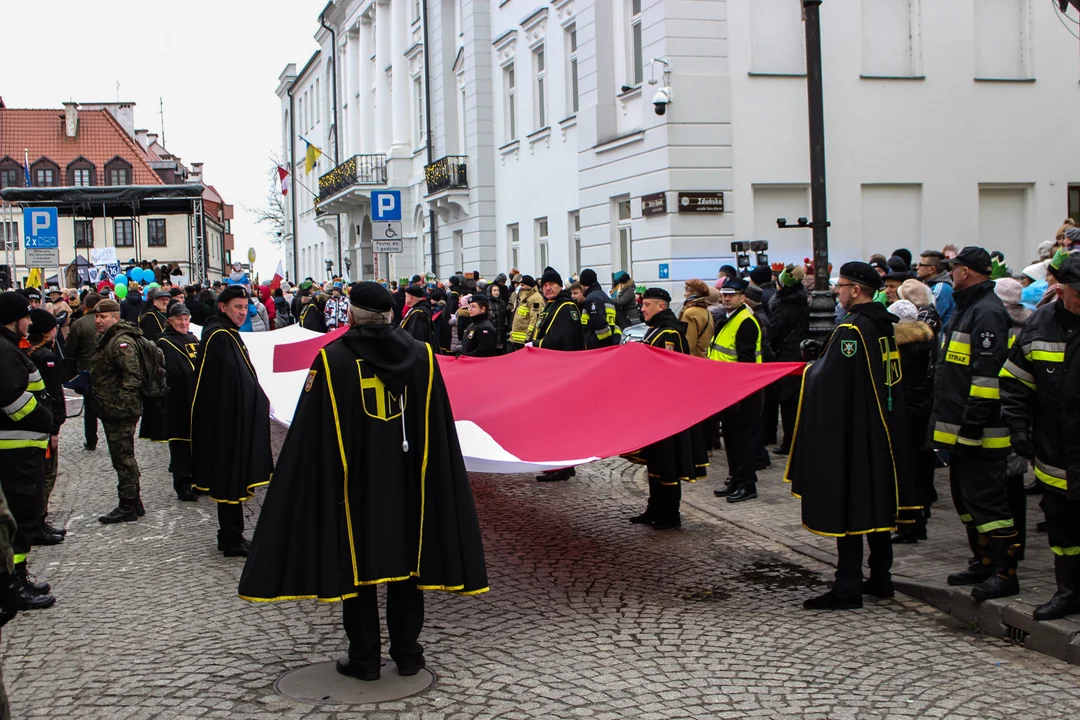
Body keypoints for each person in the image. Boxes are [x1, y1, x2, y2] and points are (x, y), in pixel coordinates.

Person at [237, 282, 488, 681]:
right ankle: (408, 656)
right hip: (412, 483)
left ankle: (365, 660)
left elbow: (310, 433)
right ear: (390, 314)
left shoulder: (332, 359)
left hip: (355, 488)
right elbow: (439, 427)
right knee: (409, 572)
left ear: (351, 314)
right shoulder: (422, 356)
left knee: (358, 573)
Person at [788, 262, 915, 610]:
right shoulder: (882, 325)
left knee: (850, 505)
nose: (836, 293)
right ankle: (880, 578)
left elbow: (828, 383)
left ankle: (847, 586)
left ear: (856, 290)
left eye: (840, 286)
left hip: (855, 432)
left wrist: (812, 365)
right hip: (881, 429)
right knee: (875, 501)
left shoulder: (853, 330)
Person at [930, 246, 1018, 601]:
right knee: (966, 502)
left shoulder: (988, 313)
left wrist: (973, 424)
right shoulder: (969, 309)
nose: (950, 276)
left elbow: (988, 377)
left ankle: (1004, 572)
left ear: (965, 272)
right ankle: (982, 560)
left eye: (953, 270)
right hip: (959, 429)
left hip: (981, 433)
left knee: (989, 506)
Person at [1000, 255, 1080, 620]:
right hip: (1055, 449)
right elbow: (1016, 382)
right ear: (1061, 290)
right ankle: (1068, 592)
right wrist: (1018, 429)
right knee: (1063, 529)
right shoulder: (1041, 325)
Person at [190, 286, 273, 556]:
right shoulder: (219, 337)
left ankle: (231, 535)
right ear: (223, 306)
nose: (241, 312)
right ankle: (230, 538)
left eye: (244, 307)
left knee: (231, 478)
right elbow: (223, 384)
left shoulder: (226, 334)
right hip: (226, 421)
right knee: (229, 478)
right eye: (237, 307)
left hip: (231, 418)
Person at [0, 292, 57, 611]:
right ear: (12, 319)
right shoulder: (5, 349)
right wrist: (44, 418)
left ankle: (18, 577)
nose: (31, 322)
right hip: (16, 449)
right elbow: (11, 400)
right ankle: (15, 585)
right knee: (20, 517)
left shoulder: (10, 347)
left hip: (22, 447)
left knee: (25, 514)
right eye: (26, 316)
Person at [626, 288, 694, 528]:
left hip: (667, 411)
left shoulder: (669, 334)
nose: (642, 308)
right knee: (654, 461)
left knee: (667, 463)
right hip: (653, 408)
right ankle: (654, 508)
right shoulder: (655, 330)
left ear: (661, 307)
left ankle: (669, 514)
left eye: (647, 304)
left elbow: (667, 372)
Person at [90, 299, 147, 524]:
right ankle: (134, 501)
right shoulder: (108, 339)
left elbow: (132, 376)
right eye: (96, 317)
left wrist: (119, 404)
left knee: (123, 458)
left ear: (116, 317)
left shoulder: (121, 341)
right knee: (124, 457)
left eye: (103, 317)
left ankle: (127, 505)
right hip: (112, 407)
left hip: (120, 410)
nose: (98, 321)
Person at [139, 303, 201, 501]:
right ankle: (183, 484)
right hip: (177, 399)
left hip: (195, 398)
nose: (183, 323)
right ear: (170, 321)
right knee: (180, 443)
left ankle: (198, 480)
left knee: (197, 442)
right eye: (179, 319)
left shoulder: (193, 339)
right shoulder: (164, 342)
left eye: (186, 319)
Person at [709, 278, 763, 503]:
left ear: (743, 297)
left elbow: (746, 363)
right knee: (731, 438)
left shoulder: (746, 321)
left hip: (743, 393)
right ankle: (735, 478)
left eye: (732, 295)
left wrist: (741, 393)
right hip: (727, 390)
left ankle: (746, 483)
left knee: (743, 439)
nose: (726, 298)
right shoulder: (727, 319)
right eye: (724, 294)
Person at [888, 300, 937, 544]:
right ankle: (922, 515)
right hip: (924, 408)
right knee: (921, 465)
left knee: (905, 467)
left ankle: (908, 524)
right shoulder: (926, 342)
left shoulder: (899, 347)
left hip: (904, 411)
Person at [24, 310, 67, 544]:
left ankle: (38, 521)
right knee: (46, 474)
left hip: (34, 423)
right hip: (44, 424)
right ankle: (38, 522)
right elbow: (52, 394)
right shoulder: (45, 357)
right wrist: (55, 427)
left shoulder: (26, 352)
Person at [768, 266, 810, 455]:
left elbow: (774, 330)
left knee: (787, 401)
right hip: (798, 353)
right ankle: (796, 439)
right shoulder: (802, 301)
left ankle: (790, 442)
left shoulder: (784, 305)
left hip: (786, 355)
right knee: (794, 400)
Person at [65, 292, 102, 450]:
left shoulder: (79, 324)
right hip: (107, 369)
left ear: (85, 305)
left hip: (87, 370)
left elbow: (71, 351)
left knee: (90, 408)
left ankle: (91, 440)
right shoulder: (108, 322)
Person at [532, 269, 586, 352]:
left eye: (552, 284)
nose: (548, 288)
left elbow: (560, 339)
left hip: (560, 359)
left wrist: (535, 344)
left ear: (560, 286)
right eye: (545, 285)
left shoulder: (566, 307)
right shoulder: (550, 304)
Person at [579, 269, 620, 348]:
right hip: (609, 344)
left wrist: (606, 343)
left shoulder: (592, 299)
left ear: (583, 284)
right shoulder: (605, 297)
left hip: (597, 346)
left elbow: (599, 325)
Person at [917, 250, 955, 326]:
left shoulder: (941, 289)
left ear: (932, 269)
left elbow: (929, 317)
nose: (917, 267)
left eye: (921, 264)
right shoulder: (930, 285)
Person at [680, 279, 714, 359]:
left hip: (694, 360)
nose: (684, 295)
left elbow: (688, 344)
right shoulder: (706, 311)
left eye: (686, 291)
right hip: (705, 357)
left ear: (694, 293)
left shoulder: (690, 313)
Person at [508, 275, 545, 349]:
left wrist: (529, 337)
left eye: (522, 285)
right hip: (518, 339)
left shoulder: (535, 299)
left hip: (525, 340)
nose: (520, 287)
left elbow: (535, 320)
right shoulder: (525, 297)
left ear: (529, 286)